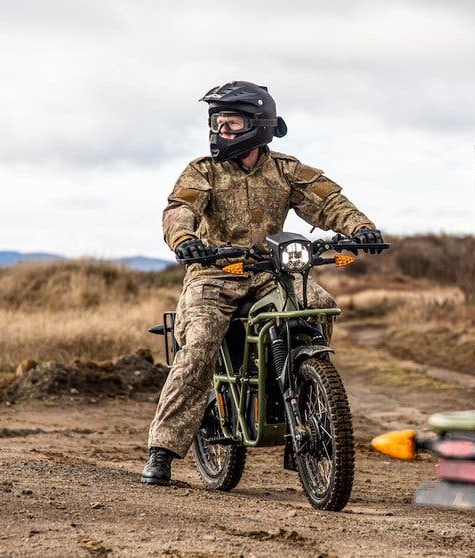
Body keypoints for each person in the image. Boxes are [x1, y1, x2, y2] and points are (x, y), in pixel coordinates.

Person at [142, 81, 382, 486]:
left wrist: (361, 228)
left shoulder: (287, 170)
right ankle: (161, 449)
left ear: (258, 125)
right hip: (214, 275)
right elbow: (179, 208)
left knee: (316, 303)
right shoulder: (203, 171)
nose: (221, 133)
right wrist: (184, 241)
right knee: (199, 343)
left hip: (272, 272)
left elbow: (328, 202)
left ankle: (305, 404)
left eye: (231, 124)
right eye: (217, 124)